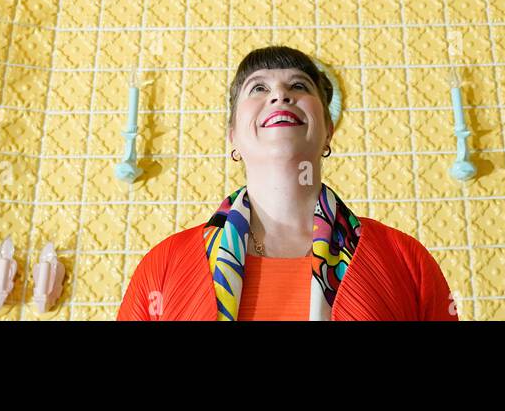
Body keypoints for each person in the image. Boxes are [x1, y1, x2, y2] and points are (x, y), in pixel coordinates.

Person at [118, 46, 459, 321]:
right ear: (233, 137)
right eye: (259, 87)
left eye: (299, 85)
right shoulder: (163, 264)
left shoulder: (405, 259)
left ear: (328, 129)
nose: (280, 94)